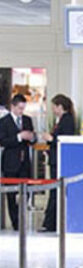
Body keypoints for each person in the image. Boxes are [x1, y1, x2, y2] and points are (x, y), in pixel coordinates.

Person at [40, 94, 76, 232]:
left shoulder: (67, 120)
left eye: (54, 106)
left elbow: (64, 140)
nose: (53, 109)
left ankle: (50, 223)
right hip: (55, 158)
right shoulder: (61, 120)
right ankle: (50, 222)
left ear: (60, 106)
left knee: (56, 191)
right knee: (54, 191)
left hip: (59, 161)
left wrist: (50, 139)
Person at [0, 94, 36, 230]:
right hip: (10, 162)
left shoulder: (27, 120)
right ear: (13, 106)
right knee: (11, 194)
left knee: (25, 191)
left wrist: (32, 138)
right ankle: (16, 223)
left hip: (24, 161)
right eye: (20, 108)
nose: (22, 111)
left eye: (23, 108)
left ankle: (22, 216)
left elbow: (33, 138)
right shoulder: (4, 122)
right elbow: (3, 141)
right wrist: (19, 137)